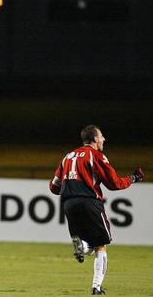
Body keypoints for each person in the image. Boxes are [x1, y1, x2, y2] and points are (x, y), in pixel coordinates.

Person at [49, 125, 143, 295]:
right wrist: (133, 178)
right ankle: (96, 286)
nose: (104, 139)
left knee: (90, 242)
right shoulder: (96, 156)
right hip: (89, 202)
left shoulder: (68, 157)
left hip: (69, 205)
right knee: (102, 244)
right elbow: (114, 184)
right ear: (94, 139)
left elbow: (54, 186)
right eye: (101, 136)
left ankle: (83, 246)